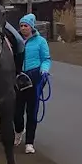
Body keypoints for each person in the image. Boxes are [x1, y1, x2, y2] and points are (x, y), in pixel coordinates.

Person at [13, 13, 51, 153]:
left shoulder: (40, 41)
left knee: (32, 112)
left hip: (35, 77)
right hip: (18, 78)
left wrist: (44, 70)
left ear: (31, 27)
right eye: (21, 26)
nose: (23, 28)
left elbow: (46, 59)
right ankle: (18, 130)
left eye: (26, 26)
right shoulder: (16, 40)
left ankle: (29, 143)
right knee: (16, 112)